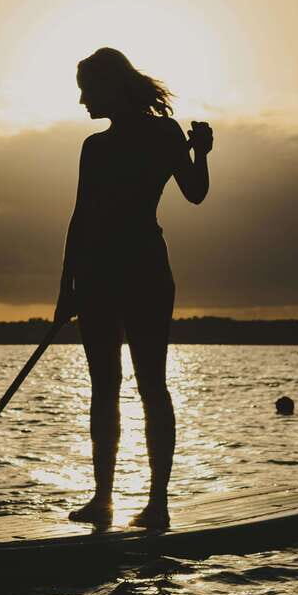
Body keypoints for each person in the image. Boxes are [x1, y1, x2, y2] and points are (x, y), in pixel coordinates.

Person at [55, 47, 213, 528]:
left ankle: (157, 503)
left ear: (110, 87)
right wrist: (67, 288)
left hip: (141, 270)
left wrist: (201, 155)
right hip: (101, 274)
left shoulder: (163, 134)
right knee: (105, 387)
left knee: (149, 385)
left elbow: (195, 193)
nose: (81, 99)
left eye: (87, 88)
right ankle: (103, 499)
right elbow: (80, 218)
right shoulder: (94, 146)